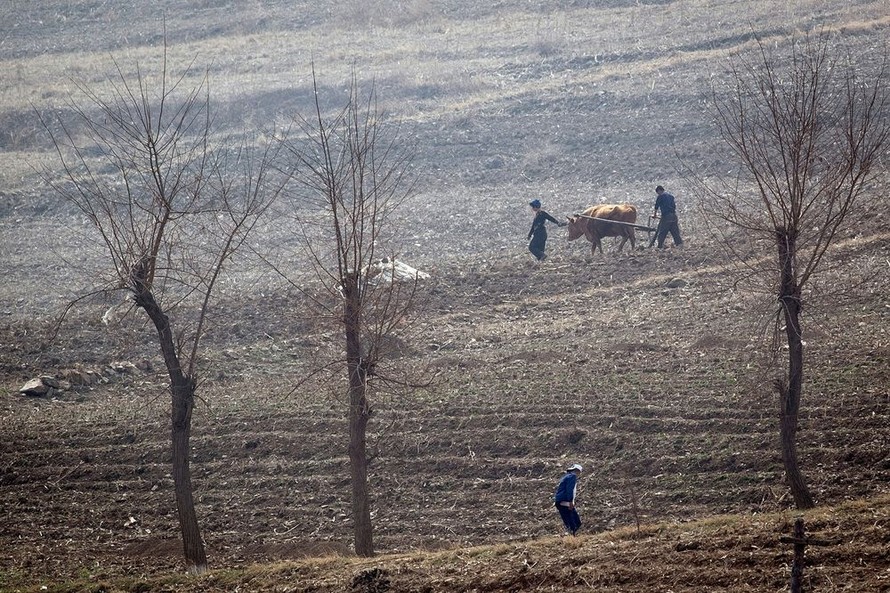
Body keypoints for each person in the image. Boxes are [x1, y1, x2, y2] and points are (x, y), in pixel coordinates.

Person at [553, 463, 582, 535]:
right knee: (575, 522)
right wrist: (570, 501)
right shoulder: (572, 476)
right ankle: (573, 537)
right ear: (577, 471)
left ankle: (571, 536)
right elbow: (569, 489)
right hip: (565, 501)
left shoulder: (566, 477)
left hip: (560, 501)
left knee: (569, 522)